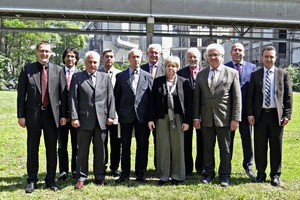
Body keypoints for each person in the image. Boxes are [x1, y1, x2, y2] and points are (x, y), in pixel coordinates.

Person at [17, 41, 68, 193]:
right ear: (37, 52)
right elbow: (21, 95)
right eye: (41, 51)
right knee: (32, 149)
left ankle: (50, 180)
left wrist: (64, 115)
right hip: (33, 115)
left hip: (52, 116)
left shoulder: (58, 70)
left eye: (47, 51)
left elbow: (63, 95)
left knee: (51, 149)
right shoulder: (27, 69)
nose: (44, 54)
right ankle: (32, 180)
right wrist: (21, 116)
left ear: (51, 53)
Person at [193, 43, 241, 187]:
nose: (213, 57)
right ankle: (208, 173)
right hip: (206, 118)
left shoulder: (232, 73)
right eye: (210, 55)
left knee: (225, 149)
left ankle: (225, 176)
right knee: (207, 147)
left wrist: (236, 119)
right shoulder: (201, 74)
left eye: (216, 55)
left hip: (225, 119)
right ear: (207, 57)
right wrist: (196, 117)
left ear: (222, 56)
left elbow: (237, 98)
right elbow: (197, 98)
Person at [247, 46, 293, 186]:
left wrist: (287, 115)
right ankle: (261, 174)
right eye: (266, 56)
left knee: (276, 146)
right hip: (260, 116)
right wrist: (249, 114)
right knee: (260, 146)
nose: (269, 59)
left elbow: (288, 96)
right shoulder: (255, 75)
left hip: (276, 116)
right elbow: (250, 97)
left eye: (271, 56)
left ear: (275, 58)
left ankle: (275, 175)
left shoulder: (283, 74)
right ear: (262, 58)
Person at [69, 51, 115, 189]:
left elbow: (110, 97)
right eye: (90, 62)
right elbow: (73, 98)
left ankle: (100, 176)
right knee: (82, 150)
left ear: (98, 63)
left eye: (95, 62)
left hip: (101, 119)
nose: (93, 65)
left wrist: (111, 115)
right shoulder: (77, 77)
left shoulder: (105, 77)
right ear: (85, 62)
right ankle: (81, 177)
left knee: (101, 150)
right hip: (83, 119)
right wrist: (74, 117)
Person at [148, 56, 192, 185]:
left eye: (174, 66)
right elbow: (152, 102)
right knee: (163, 146)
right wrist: (150, 119)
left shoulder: (184, 82)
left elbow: (189, 104)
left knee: (178, 146)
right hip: (162, 118)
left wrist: (187, 121)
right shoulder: (158, 82)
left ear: (177, 67)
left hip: (178, 118)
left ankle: (177, 175)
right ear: (165, 67)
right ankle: (163, 175)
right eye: (168, 66)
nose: (171, 68)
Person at [114, 48, 153, 183]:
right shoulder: (120, 76)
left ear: (141, 59)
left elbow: (151, 99)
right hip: (126, 116)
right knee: (125, 146)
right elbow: (116, 97)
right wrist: (119, 114)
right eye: (133, 57)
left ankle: (140, 174)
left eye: (138, 57)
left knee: (142, 146)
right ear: (129, 58)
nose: (136, 59)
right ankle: (124, 173)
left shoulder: (148, 76)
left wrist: (150, 118)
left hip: (142, 117)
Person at [224, 43, 257, 179]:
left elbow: (254, 91)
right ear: (231, 53)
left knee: (247, 140)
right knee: (228, 141)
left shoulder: (252, 68)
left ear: (244, 53)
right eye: (235, 50)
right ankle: (226, 166)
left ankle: (248, 166)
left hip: (246, 112)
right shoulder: (225, 67)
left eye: (240, 50)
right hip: (229, 112)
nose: (237, 52)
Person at [177, 47, 204, 176]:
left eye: (195, 57)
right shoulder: (180, 73)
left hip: (203, 113)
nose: (192, 59)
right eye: (190, 57)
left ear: (199, 58)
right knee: (186, 141)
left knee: (202, 141)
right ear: (186, 58)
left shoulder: (205, 72)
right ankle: (187, 167)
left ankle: (201, 167)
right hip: (186, 113)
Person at [58, 47, 80, 181]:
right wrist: (62, 115)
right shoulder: (58, 73)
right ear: (64, 58)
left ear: (76, 59)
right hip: (61, 117)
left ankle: (75, 170)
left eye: (72, 56)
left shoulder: (81, 74)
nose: (70, 58)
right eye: (68, 56)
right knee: (62, 145)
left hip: (76, 117)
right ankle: (63, 171)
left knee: (76, 145)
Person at [141, 43, 165, 169]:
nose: (154, 55)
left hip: (160, 112)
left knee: (160, 142)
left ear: (160, 55)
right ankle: (142, 168)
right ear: (147, 54)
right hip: (143, 112)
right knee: (143, 142)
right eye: (152, 52)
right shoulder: (141, 69)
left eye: (156, 53)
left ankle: (158, 166)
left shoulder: (165, 69)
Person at [99, 49, 122, 177]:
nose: (109, 59)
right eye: (106, 57)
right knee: (101, 141)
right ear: (102, 59)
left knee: (116, 142)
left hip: (115, 114)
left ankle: (114, 167)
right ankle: (102, 165)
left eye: (111, 57)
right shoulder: (97, 73)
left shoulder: (120, 74)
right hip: (100, 113)